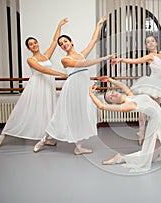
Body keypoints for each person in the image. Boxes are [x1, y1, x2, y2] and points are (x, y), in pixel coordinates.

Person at [33, 17, 115, 155]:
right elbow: (84, 64)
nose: (63, 44)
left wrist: (99, 24)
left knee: (83, 115)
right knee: (61, 115)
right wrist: (105, 58)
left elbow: (93, 41)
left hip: (84, 87)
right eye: (61, 44)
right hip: (72, 89)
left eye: (65, 41)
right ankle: (43, 140)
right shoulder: (65, 59)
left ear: (71, 42)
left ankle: (79, 146)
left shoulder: (81, 55)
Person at [0, 18, 68, 148]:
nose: (34, 45)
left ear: (38, 43)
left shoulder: (46, 56)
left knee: (47, 112)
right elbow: (43, 69)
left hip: (47, 87)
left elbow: (54, 42)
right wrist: (60, 74)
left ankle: (45, 138)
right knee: (23, 110)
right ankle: (4, 134)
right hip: (36, 87)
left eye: (35, 43)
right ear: (28, 48)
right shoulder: (30, 59)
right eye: (31, 44)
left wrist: (59, 26)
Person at [110, 21, 161, 145]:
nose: (150, 43)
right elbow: (135, 61)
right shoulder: (149, 57)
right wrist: (121, 59)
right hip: (151, 85)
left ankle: (156, 133)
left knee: (156, 111)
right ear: (146, 46)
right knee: (143, 108)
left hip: (158, 85)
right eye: (148, 42)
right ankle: (141, 132)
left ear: (156, 42)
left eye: (152, 41)